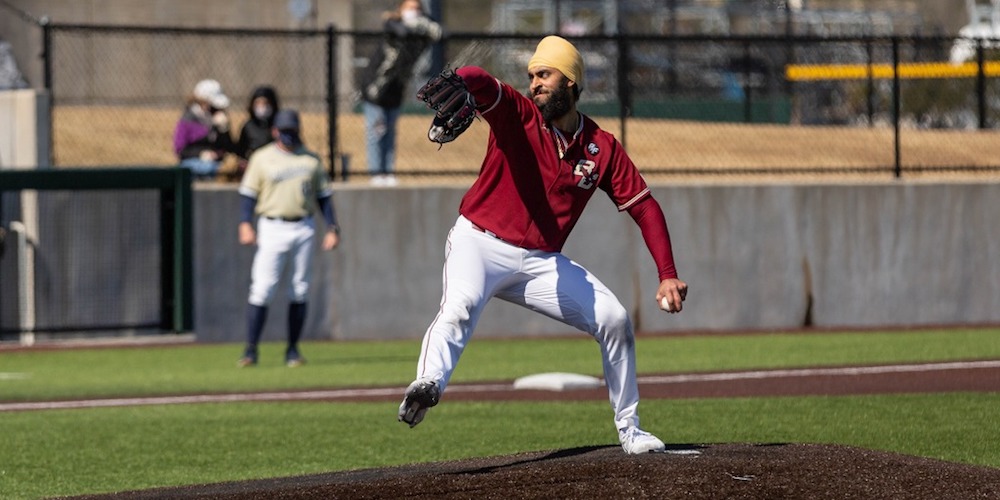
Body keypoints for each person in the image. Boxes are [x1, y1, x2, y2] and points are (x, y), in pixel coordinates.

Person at [397, 36, 689, 455]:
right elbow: (484, 83)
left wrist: (667, 274)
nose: (534, 83)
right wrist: (461, 79)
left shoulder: (601, 147)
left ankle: (631, 431)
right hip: (478, 243)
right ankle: (428, 384)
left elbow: (644, 207)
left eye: (544, 74)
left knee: (615, 319)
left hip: (540, 262)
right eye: (531, 74)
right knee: (458, 308)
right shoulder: (517, 114)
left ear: (570, 81)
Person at [236, 109, 341, 368]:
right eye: (284, 131)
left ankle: (292, 350)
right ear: (274, 131)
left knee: (300, 288)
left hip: (303, 226)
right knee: (262, 288)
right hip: (272, 225)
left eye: (292, 130)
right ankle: (250, 350)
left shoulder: (310, 160)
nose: (288, 135)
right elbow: (248, 195)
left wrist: (332, 227)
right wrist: (245, 224)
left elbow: (323, 197)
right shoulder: (262, 158)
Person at [361, 0, 443, 186]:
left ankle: (387, 173)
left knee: (390, 133)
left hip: (395, 92)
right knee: (376, 132)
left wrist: (425, 22)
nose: (414, 13)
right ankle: (376, 173)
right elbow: (400, 30)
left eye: (417, 9)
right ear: (401, 9)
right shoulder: (393, 25)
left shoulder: (423, 33)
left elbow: (441, 33)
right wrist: (418, 24)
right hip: (376, 89)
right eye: (410, 8)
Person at [173, 79, 235, 180]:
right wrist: (201, 154)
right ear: (202, 102)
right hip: (192, 162)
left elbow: (229, 148)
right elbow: (180, 149)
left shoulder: (219, 118)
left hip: (215, 163)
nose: (216, 108)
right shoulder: (187, 120)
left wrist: (224, 130)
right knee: (210, 168)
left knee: (225, 169)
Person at [234, 85, 281, 181]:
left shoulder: (280, 125)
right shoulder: (248, 126)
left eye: (266, 103)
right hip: (254, 167)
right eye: (258, 103)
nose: (262, 107)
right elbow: (241, 151)